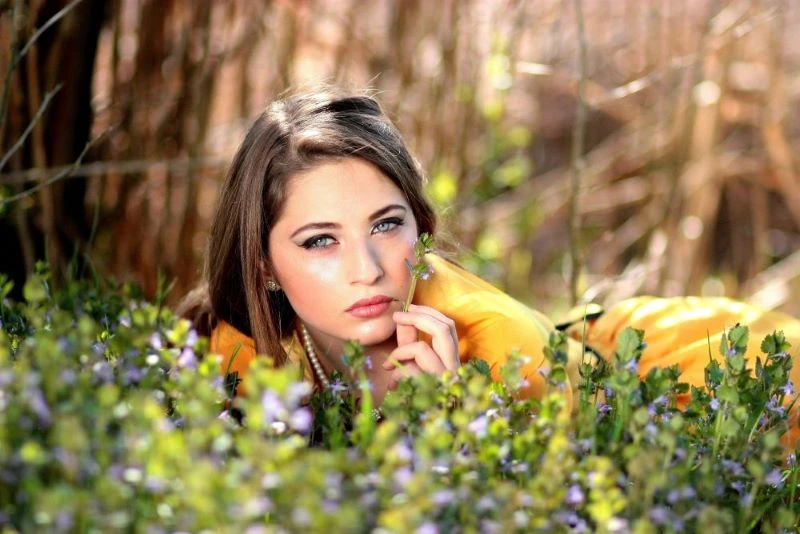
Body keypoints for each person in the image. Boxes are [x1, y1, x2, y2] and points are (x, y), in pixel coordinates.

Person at [183, 87, 800, 436]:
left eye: (386, 225)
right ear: (262, 264)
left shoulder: (500, 349)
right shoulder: (236, 344)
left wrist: (448, 425)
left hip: (715, 380)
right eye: (321, 240)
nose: (366, 268)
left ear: (421, 231)